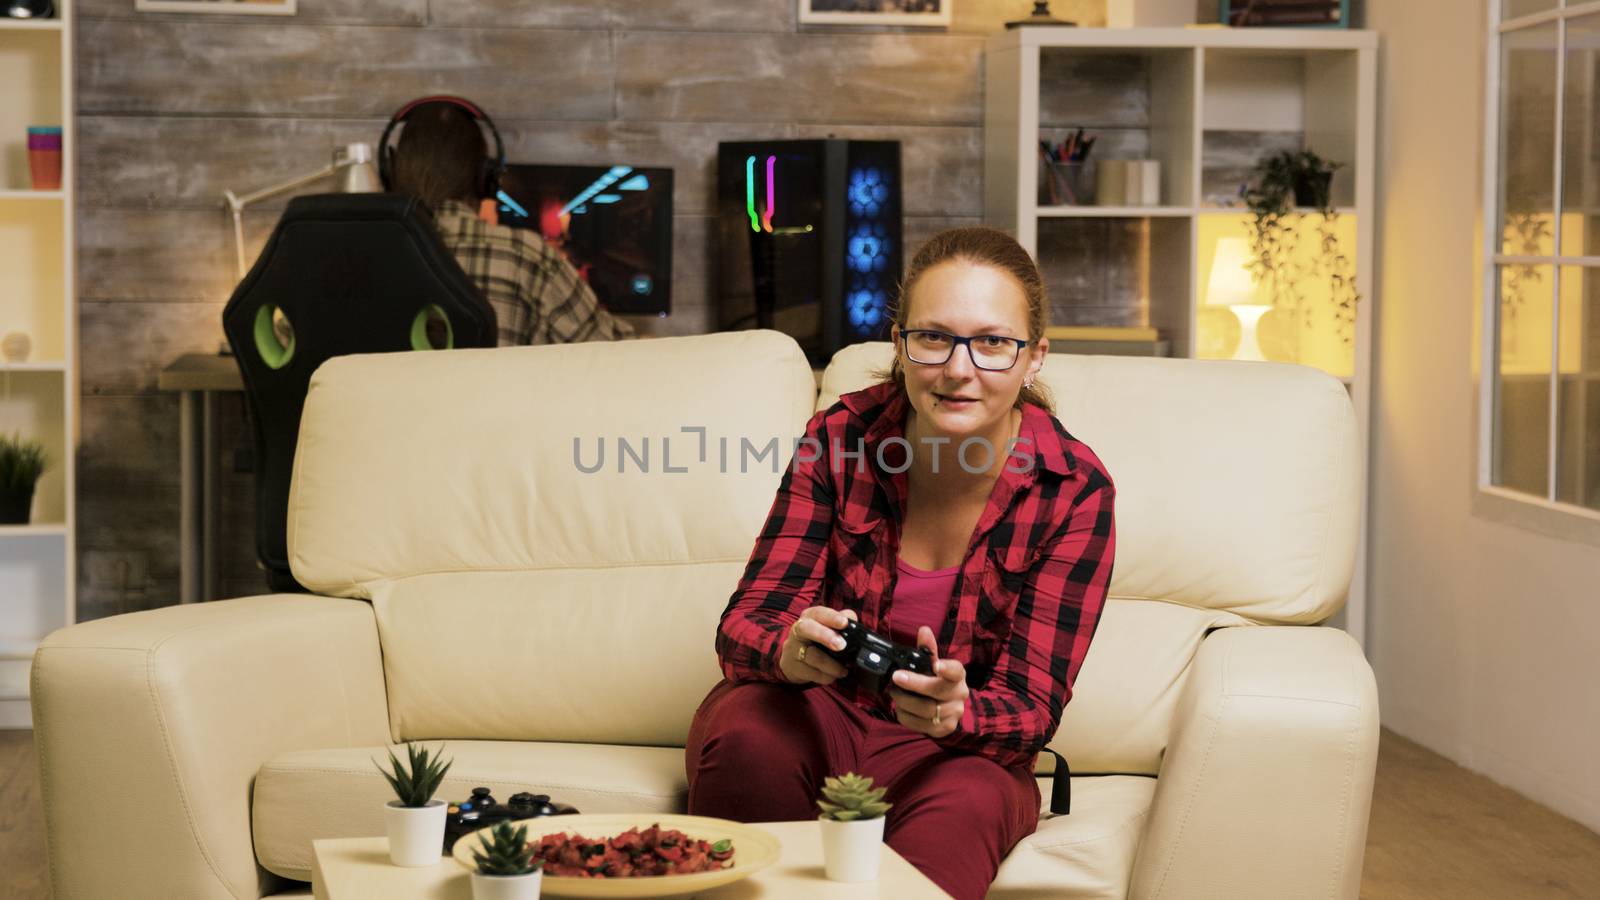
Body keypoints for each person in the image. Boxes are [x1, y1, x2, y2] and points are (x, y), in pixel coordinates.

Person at [685, 226, 1117, 900]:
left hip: (957, 754)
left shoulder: (1073, 490)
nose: (958, 368)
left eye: (994, 342)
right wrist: (790, 653)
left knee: (968, 804)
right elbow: (746, 623)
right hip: (818, 715)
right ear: (901, 345)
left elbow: (1033, 706)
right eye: (934, 336)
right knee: (747, 734)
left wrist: (957, 713)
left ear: (1034, 358)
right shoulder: (841, 439)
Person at [386, 100, 635, 346]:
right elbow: (612, 350)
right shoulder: (527, 255)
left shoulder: (368, 254)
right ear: (485, 177)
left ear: (390, 172)